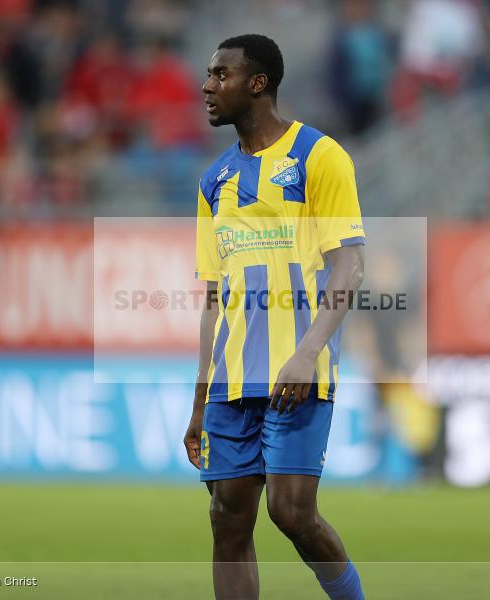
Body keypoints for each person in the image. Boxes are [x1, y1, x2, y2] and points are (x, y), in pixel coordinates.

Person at [182, 34, 366, 600]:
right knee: (227, 520)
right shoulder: (214, 182)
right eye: (209, 75)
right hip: (230, 384)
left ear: (257, 83)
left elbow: (350, 267)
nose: (208, 87)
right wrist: (197, 402)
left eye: (220, 75)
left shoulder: (319, 156)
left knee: (292, 514)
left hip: (296, 372)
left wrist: (308, 351)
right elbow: (216, 297)